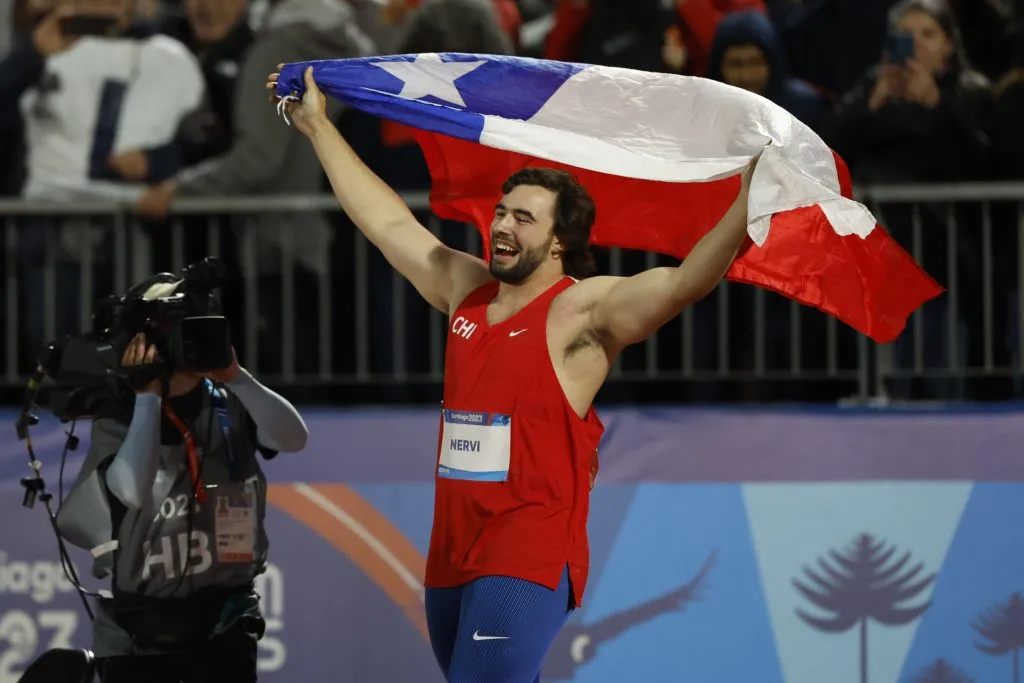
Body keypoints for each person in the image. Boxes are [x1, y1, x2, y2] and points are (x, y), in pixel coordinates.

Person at [268, 65, 755, 682]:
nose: (500, 226)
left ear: (559, 242)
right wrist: (316, 127)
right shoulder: (464, 290)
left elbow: (683, 282)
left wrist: (747, 202)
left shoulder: (583, 311)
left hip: (527, 554)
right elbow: (388, 222)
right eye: (501, 212)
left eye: (523, 218)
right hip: (451, 553)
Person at [55, 274, 308, 683]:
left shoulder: (230, 404)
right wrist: (148, 397)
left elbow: (295, 438)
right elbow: (132, 491)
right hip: (139, 636)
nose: (189, 346)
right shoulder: (122, 416)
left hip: (224, 623)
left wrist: (235, 375)